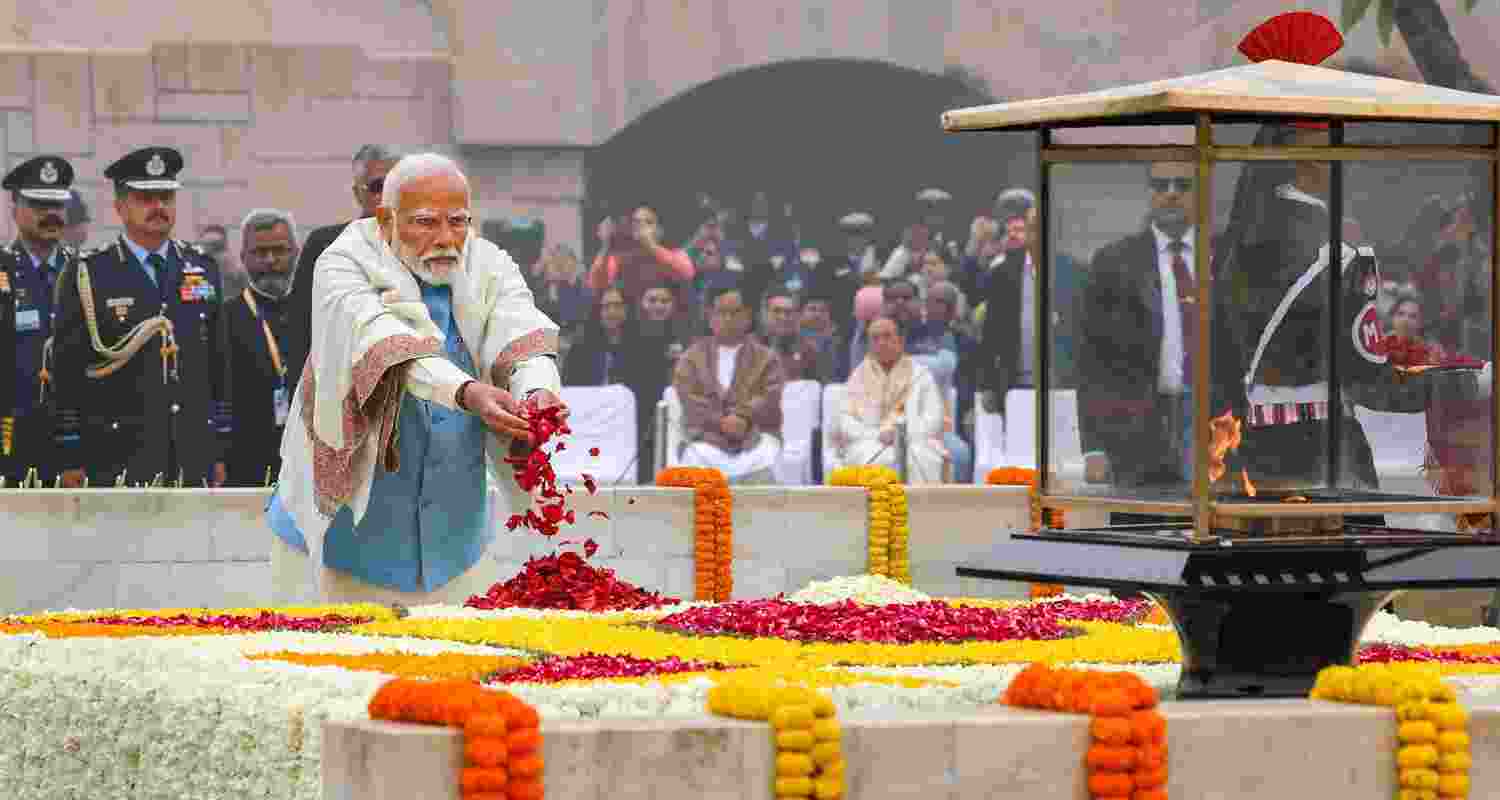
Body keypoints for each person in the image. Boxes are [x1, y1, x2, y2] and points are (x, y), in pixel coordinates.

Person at [267, 152, 566, 604]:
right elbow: (383, 343)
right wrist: (466, 392)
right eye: (426, 223)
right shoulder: (342, 263)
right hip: (343, 547)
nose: (446, 238)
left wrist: (537, 391)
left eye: (458, 221)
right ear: (385, 218)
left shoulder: (489, 264)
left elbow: (520, 327)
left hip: (455, 550)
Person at [52, 146, 226, 488]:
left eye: (165, 197)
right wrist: (70, 453)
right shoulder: (88, 273)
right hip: (117, 451)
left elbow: (219, 365)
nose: (158, 207)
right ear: (119, 207)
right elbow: (67, 370)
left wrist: (220, 446)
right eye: (145, 198)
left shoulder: (202, 267)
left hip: (190, 451)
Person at [1075, 161, 1202, 489]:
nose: (1171, 194)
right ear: (1149, 194)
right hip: (1137, 421)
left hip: (1210, 420)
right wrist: (1093, 446)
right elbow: (1092, 360)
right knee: (1140, 526)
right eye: (1161, 186)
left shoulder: (1225, 254)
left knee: (1211, 528)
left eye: (1183, 185)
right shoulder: (1113, 262)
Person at [286, 144, 402, 392]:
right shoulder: (326, 244)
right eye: (377, 187)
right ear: (358, 194)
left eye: (397, 185)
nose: (388, 195)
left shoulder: (421, 246)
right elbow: (300, 327)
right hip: (340, 388)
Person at [0, 156, 78, 484]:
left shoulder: (85, 271)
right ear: (15, 208)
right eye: (39, 204)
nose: (51, 214)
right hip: (10, 432)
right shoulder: (3, 268)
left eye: (57, 204)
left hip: (74, 437)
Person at [218, 209, 303, 487]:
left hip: (307, 457)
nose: (270, 260)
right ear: (243, 258)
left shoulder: (315, 311)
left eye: (279, 250)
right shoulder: (225, 317)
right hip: (246, 460)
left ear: (295, 252)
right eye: (259, 252)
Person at [672, 288, 784, 483]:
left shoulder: (767, 358)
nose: (728, 319)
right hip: (705, 439)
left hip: (755, 436)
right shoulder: (691, 358)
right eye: (721, 313)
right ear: (710, 317)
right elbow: (690, 400)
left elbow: (770, 396)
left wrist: (743, 416)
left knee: (766, 458)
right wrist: (721, 421)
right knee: (696, 459)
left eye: (735, 313)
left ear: (748, 316)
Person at [832, 317, 949, 483]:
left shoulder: (920, 375)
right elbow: (845, 420)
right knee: (869, 461)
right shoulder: (857, 378)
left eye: (887, 336)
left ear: (900, 341)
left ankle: (920, 509)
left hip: (914, 441)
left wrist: (901, 435)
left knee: (923, 461)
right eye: (875, 338)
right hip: (869, 442)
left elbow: (934, 418)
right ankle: (876, 509)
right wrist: (877, 435)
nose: (881, 343)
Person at [585, 205, 694, 306]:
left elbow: (686, 273)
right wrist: (605, 245)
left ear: (660, 231)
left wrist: (650, 244)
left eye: (648, 222)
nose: (641, 226)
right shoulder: (622, 260)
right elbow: (595, 285)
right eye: (636, 222)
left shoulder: (675, 254)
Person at [562, 287, 631, 386]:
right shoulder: (581, 348)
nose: (612, 312)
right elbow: (570, 387)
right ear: (599, 311)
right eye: (606, 307)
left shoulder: (638, 346)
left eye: (617, 306)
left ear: (626, 310)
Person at [761, 286, 830, 382]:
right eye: (777, 311)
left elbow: (819, 387)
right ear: (765, 314)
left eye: (788, 312)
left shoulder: (808, 351)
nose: (783, 317)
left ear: (796, 316)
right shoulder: (750, 347)